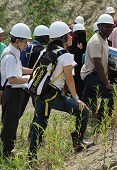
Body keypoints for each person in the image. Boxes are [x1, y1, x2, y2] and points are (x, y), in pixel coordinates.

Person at [29, 21, 92, 160]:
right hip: (54, 96)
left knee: (40, 125)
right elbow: (70, 80)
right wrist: (76, 98)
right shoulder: (66, 56)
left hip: (41, 93)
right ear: (64, 38)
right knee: (84, 111)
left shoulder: (45, 51)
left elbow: (35, 71)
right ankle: (78, 141)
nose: (72, 37)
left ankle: (31, 157)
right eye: (69, 35)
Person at [0, 23, 33, 159]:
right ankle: (3, 154)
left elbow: (20, 69)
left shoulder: (13, 52)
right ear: (17, 40)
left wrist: (34, 71)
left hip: (14, 93)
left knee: (11, 123)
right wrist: (28, 79)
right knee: (9, 124)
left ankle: (5, 151)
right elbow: (12, 79)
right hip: (11, 92)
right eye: (25, 41)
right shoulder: (10, 56)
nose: (27, 43)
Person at [81, 14, 114, 123]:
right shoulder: (96, 41)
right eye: (106, 26)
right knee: (108, 94)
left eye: (111, 27)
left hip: (95, 74)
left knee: (86, 100)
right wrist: (106, 83)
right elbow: (97, 63)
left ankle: (81, 118)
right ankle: (101, 120)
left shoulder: (103, 39)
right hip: (91, 74)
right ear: (99, 26)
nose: (110, 29)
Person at [68, 23, 87, 98]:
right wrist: (78, 50)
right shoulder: (73, 43)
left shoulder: (84, 43)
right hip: (77, 68)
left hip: (82, 67)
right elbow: (71, 56)